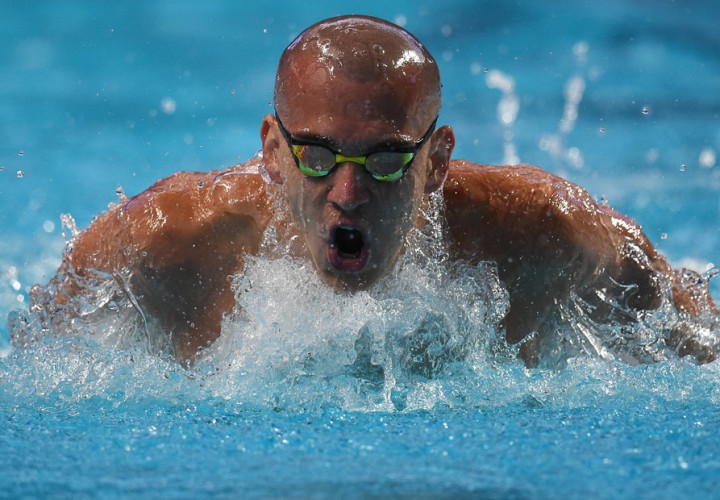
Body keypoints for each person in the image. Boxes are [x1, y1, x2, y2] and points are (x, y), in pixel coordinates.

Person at [29, 15, 717, 366]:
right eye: (319, 156)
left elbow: (695, 332)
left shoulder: (546, 232)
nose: (349, 193)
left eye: (388, 158)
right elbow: (32, 358)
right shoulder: (162, 239)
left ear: (438, 161)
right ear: (273, 151)